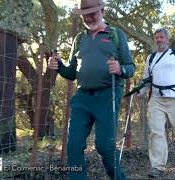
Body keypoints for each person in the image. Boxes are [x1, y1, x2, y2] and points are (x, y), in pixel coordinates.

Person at [48, 0, 135, 179]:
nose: (88, 17)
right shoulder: (79, 39)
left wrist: (120, 69)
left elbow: (130, 67)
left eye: (92, 13)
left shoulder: (116, 35)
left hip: (108, 96)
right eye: (85, 14)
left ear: (102, 11)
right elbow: (71, 73)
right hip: (82, 98)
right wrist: (58, 66)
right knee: (73, 147)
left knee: (104, 146)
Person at [138, 28, 175, 178]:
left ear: (167, 40)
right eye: (156, 37)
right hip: (156, 99)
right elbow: (146, 79)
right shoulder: (150, 58)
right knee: (156, 133)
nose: (159, 40)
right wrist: (141, 92)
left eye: (162, 37)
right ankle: (157, 166)